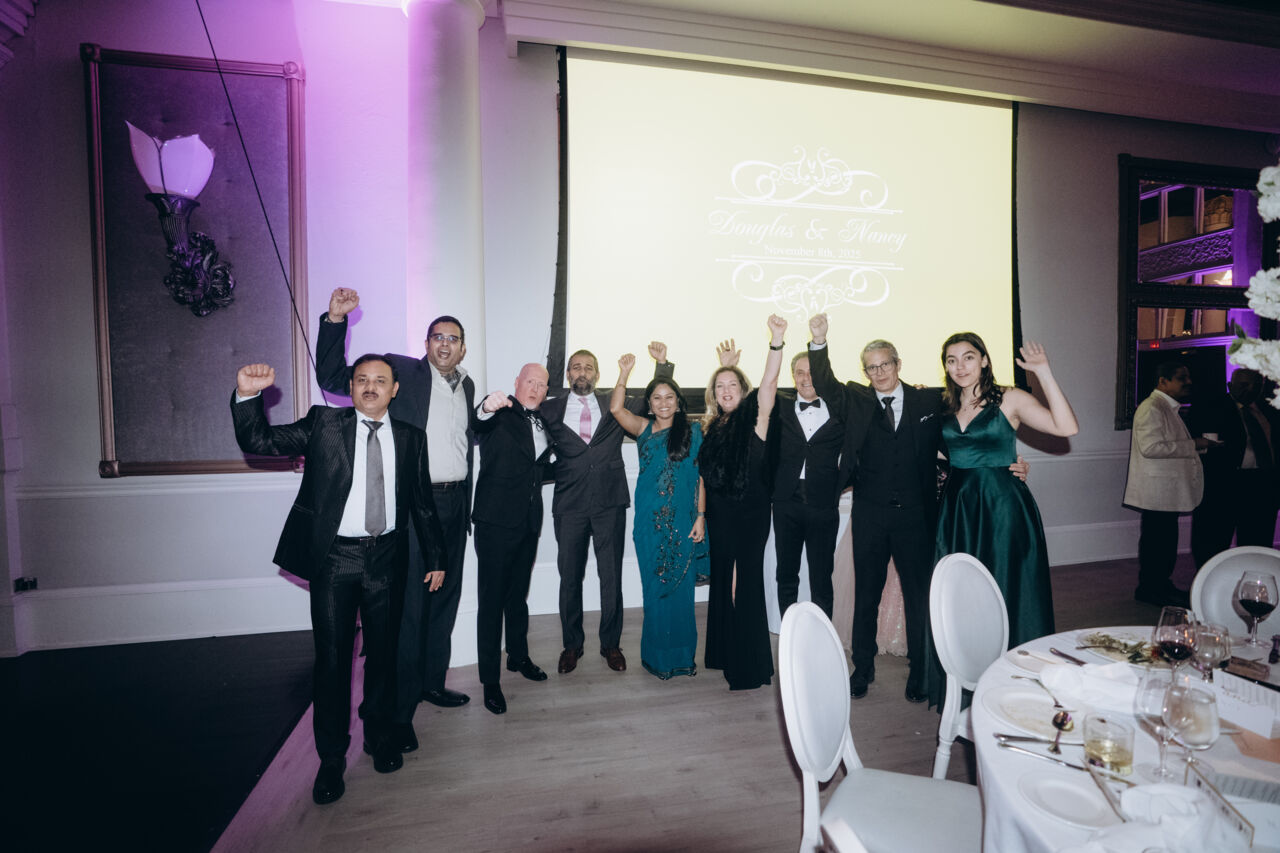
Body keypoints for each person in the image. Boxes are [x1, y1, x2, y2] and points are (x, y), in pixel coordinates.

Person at [231, 356, 445, 805]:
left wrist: (437, 557)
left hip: (387, 560)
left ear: (395, 390)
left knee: (383, 656)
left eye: (380, 381)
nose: (370, 387)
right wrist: (248, 395)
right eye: (362, 379)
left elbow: (422, 503)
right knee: (332, 662)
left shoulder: (412, 437)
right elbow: (259, 440)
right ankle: (331, 758)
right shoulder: (324, 424)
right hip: (335, 560)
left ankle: (378, 736)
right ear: (350, 387)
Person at [806, 315, 1030, 703]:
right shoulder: (857, 401)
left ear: (898, 364)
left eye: (885, 364)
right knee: (866, 596)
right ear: (865, 372)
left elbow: (967, 438)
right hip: (870, 516)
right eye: (871, 367)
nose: (879, 373)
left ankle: (919, 670)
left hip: (917, 518)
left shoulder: (930, 401)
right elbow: (824, 382)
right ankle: (863, 667)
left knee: (918, 597)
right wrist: (819, 340)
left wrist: (1011, 461)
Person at [315, 288, 476, 753]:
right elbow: (333, 377)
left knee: (443, 602)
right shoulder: (401, 372)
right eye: (437, 337)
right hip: (416, 510)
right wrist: (334, 321)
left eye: (453, 338)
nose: (444, 344)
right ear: (426, 344)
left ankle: (430, 683)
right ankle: (398, 713)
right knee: (408, 613)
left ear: (463, 348)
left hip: (455, 506)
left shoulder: (466, 386)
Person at [934, 333, 1078, 649]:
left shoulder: (1009, 398)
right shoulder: (944, 406)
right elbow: (937, 454)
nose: (960, 367)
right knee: (962, 588)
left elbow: (1066, 427)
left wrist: (1043, 372)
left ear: (984, 360)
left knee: (1007, 581)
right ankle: (970, 657)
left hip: (1002, 506)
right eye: (951, 360)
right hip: (958, 508)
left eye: (968, 357)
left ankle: (1014, 657)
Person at [539, 344, 674, 674]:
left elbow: (651, 402)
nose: (582, 372)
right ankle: (572, 645)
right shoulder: (549, 409)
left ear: (597, 375)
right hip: (569, 504)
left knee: (611, 577)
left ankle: (611, 644)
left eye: (588, 367)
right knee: (570, 578)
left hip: (609, 503)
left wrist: (662, 365)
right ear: (567, 374)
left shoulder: (616, 402)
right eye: (576, 367)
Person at [698, 315, 787, 691]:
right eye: (719, 386)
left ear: (745, 390)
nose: (725, 390)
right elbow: (707, 477)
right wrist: (727, 369)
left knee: (742, 583)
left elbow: (769, 382)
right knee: (723, 580)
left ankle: (748, 666)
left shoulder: (756, 419)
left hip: (748, 515)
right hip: (720, 517)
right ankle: (727, 652)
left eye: (733, 385)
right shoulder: (714, 426)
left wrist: (776, 340)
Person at [610, 353, 706, 679]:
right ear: (649, 405)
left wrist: (701, 516)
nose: (663, 403)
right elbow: (616, 409)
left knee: (682, 594)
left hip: (683, 523)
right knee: (654, 591)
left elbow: (700, 478)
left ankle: (682, 658)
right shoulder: (643, 429)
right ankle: (657, 659)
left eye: (669, 397)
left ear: (678, 403)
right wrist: (624, 373)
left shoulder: (693, 432)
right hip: (649, 525)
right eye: (657, 398)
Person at [472, 363, 555, 715]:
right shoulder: (501, 412)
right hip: (495, 523)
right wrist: (485, 407)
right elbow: (478, 422)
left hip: (528, 523)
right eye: (530, 381)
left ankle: (518, 656)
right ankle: (490, 681)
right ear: (517, 383)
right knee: (491, 603)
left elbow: (536, 468)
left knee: (517, 597)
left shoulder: (544, 422)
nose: (535, 388)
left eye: (542, 384)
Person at [1124, 361, 1211, 607]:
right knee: (1158, 543)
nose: (1188, 382)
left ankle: (1159, 585)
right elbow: (1151, 448)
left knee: (1163, 542)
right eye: (1181, 378)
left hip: (1164, 492)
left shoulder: (1164, 407)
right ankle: (1152, 588)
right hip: (1158, 492)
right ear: (1162, 381)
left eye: (1188, 377)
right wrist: (1195, 444)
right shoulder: (1152, 407)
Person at [770, 351, 845, 618]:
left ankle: (822, 635)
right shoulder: (778, 406)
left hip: (823, 504)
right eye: (800, 372)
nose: (806, 378)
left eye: (812, 372)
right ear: (792, 376)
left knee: (822, 577)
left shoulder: (841, 409)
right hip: (785, 502)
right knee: (786, 574)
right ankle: (789, 631)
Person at [1190, 367, 1279, 567]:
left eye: (1257, 385)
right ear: (1230, 386)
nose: (1251, 389)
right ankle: (1209, 581)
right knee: (1213, 542)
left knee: (1258, 544)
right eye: (1244, 385)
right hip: (1225, 484)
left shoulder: (1270, 409)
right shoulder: (1212, 407)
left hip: (1263, 484)